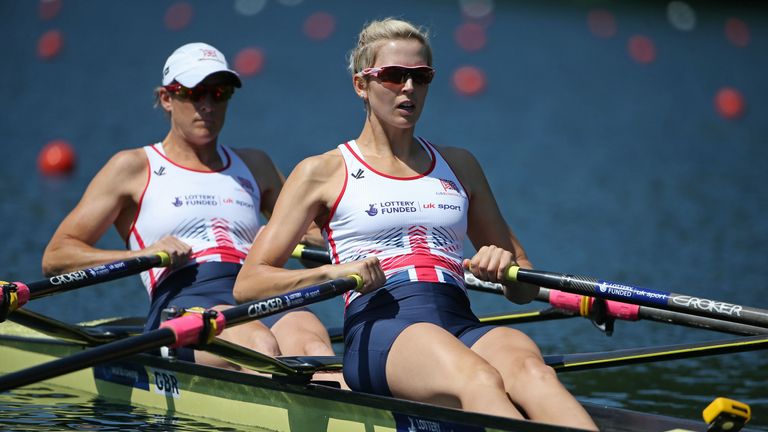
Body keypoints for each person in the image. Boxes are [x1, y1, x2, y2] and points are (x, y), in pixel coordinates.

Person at [232, 19, 597, 429]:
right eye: (392, 76)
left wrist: (505, 270)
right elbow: (250, 283)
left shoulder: (459, 165)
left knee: (535, 373)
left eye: (420, 77)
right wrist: (331, 272)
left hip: (459, 321)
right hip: (382, 332)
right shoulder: (322, 172)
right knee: (478, 378)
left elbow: (526, 284)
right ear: (361, 85)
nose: (408, 87)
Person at [41, 42, 339, 375]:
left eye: (219, 93)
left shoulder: (256, 165)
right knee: (259, 346)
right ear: (167, 98)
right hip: (184, 303)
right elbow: (56, 257)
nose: (208, 105)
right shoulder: (133, 167)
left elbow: (315, 236)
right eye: (195, 93)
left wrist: (279, 237)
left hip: (258, 289)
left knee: (313, 345)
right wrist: (144, 254)